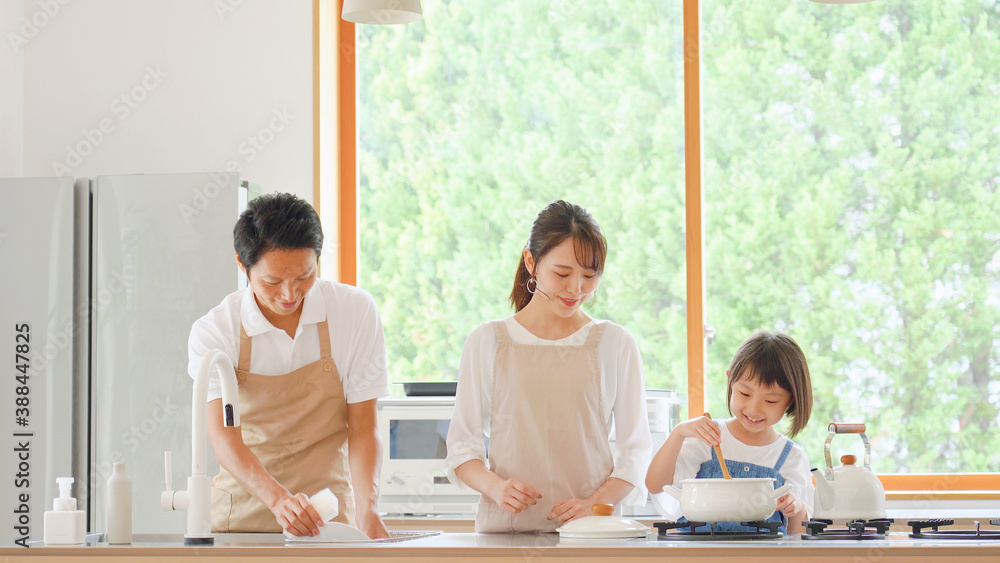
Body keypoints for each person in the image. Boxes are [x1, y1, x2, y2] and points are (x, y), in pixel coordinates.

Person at [187, 192, 391, 539]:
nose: (289, 294)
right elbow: (223, 436)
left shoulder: (353, 312)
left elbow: (362, 428)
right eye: (272, 281)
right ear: (242, 264)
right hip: (243, 521)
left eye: (303, 276)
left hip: (328, 521)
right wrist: (279, 501)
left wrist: (367, 509)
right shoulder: (216, 330)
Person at [444, 200, 652, 533]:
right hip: (505, 536)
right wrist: (496, 488)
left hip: (592, 536)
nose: (576, 289)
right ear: (531, 262)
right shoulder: (487, 341)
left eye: (589, 275)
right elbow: (461, 449)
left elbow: (635, 452)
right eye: (562, 273)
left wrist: (593, 505)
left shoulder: (615, 343)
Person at [645, 331, 814, 534]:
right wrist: (679, 433)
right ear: (730, 381)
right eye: (744, 393)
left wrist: (796, 508)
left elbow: (798, 538)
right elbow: (655, 485)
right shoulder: (708, 437)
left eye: (770, 401)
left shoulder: (792, 457)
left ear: (791, 401)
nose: (753, 409)